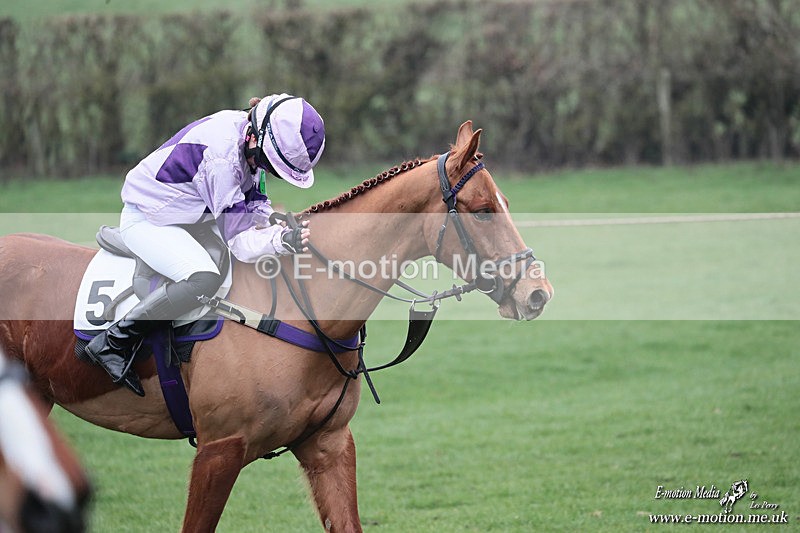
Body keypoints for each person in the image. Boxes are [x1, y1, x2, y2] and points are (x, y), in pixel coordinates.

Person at [84, 93, 325, 397]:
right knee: (204, 277)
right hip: (148, 220)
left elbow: (255, 204)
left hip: (190, 214)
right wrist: (281, 241)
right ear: (258, 140)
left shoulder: (249, 134)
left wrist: (273, 221)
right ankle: (112, 342)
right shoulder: (223, 160)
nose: (271, 172)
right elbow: (240, 243)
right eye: (272, 166)